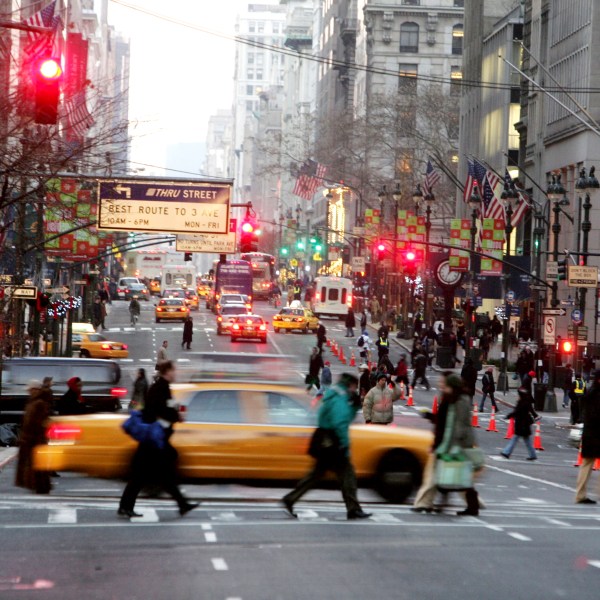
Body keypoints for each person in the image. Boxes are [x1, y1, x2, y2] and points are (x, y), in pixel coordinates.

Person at [282, 373, 371, 520]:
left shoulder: (332, 393)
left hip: (323, 437)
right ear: (350, 385)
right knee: (347, 474)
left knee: (316, 474)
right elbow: (340, 421)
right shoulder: (341, 397)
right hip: (334, 441)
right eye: (355, 387)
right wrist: (344, 443)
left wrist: (353, 408)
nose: (355, 390)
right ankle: (353, 509)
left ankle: (291, 498)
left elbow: (333, 416)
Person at [118, 361, 198, 518]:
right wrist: (176, 416)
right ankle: (126, 507)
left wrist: (176, 412)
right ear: (167, 371)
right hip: (154, 440)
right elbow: (161, 411)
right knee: (143, 474)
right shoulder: (160, 388)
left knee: (159, 473)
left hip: (156, 438)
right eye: (174, 371)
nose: (176, 374)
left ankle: (182, 504)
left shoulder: (162, 387)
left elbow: (168, 406)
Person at [412, 373, 480, 516]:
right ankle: (462, 504)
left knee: (462, 476)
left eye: (447, 385)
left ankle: (472, 506)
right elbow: (446, 423)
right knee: (455, 475)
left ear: (453, 386)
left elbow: (460, 425)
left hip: (459, 444)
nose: (443, 387)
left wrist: (454, 445)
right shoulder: (452, 399)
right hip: (450, 443)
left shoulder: (461, 400)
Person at [15, 380, 53, 494]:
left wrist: (27, 436)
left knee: (36, 463)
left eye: (31, 390)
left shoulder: (38, 403)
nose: (29, 392)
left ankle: (41, 486)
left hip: (35, 438)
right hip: (33, 437)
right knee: (35, 463)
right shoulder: (35, 402)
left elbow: (36, 422)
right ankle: (39, 485)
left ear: (35, 390)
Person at [574, 369, 600, 504]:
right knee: (587, 463)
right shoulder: (597, 394)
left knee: (586, 464)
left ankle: (580, 494)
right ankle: (581, 494)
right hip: (596, 433)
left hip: (590, 432)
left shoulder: (591, 392)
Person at [501, 387, 539, 460]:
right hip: (525, 424)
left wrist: (508, 416)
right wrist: (535, 416)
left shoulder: (521, 403)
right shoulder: (527, 402)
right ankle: (533, 455)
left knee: (516, 438)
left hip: (521, 424)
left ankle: (507, 452)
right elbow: (532, 411)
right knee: (526, 441)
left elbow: (516, 412)